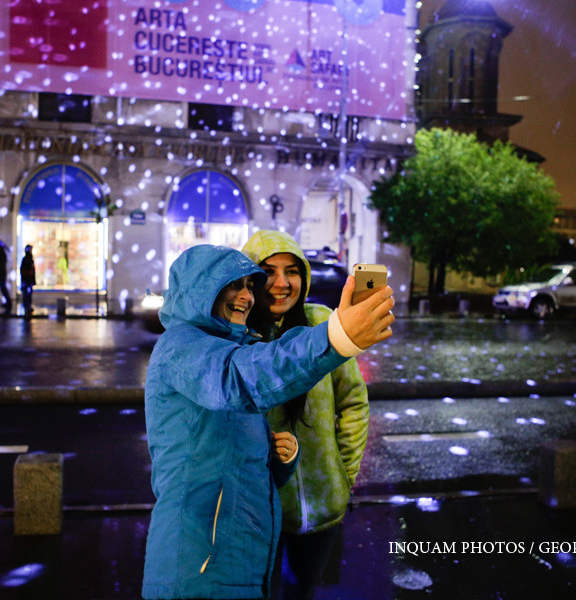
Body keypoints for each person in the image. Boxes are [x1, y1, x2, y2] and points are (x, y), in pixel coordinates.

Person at [142, 244, 394, 600]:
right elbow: (239, 379)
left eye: (248, 286)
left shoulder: (232, 347)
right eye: (232, 285)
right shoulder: (181, 346)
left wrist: (278, 461)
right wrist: (337, 337)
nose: (245, 296)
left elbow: (230, 467)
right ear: (201, 289)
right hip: (198, 565)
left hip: (239, 558)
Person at [243, 231, 369, 600]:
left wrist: (343, 474)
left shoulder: (322, 322)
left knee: (303, 593)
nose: (282, 283)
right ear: (249, 277)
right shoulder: (238, 336)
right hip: (259, 511)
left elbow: (353, 403)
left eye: (292, 271)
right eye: (268, 271)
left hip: (322, 508)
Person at [20, 244, 36, 316]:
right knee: (27, 295)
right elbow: (23, 270)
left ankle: (28, 306)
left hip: (29, 281)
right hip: (26, 280)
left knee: (28, 294)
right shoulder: (26, 259)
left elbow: (33, 271)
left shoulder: (30, 259)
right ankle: (27, 306)